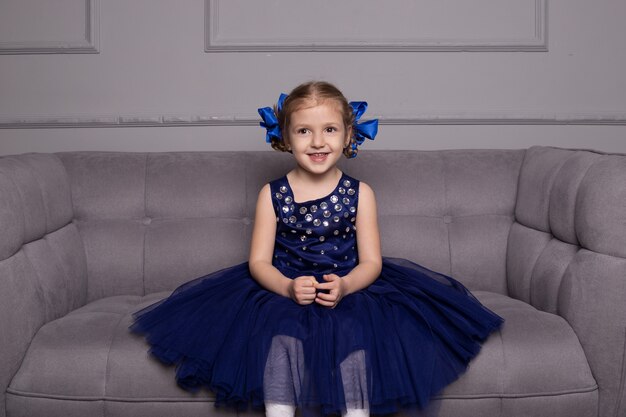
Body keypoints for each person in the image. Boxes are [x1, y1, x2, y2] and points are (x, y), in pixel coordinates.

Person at [130, 81, 504, 417]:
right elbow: (258, 261)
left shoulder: (360, 194)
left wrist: (345, 286)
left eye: (329, 130)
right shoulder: (272, 194)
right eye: (304, 131)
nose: (318, 141)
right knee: (280, 334)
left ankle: (356, 412)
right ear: (286, 138)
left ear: (347, 135)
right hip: (284, 289)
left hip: (350, 287)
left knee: (354, 333)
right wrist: (287, 288)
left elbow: (372, 262)